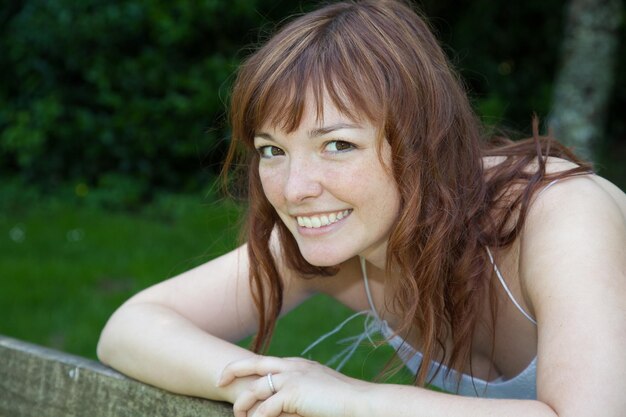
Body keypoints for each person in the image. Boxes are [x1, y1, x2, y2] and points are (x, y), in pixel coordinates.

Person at [97, 1, 626, 416]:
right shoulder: (333, 242)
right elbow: (130, 328)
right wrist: (283, 385)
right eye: (272, 151)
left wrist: (354, 400)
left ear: (424, 142)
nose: (296, 189)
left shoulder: (560, 217)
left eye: (338, 145)